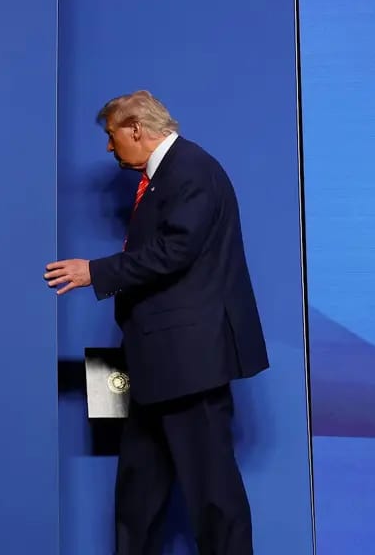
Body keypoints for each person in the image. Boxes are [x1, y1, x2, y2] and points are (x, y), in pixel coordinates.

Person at [44, 90, 269, 555]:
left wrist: (95, 271)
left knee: (213, 492)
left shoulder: (191, 170)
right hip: (155, 361)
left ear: (136, 129)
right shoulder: (166, 175)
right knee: (137, 495)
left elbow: (176, 250)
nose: (109, 146)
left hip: (190, 362)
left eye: (112, 135)